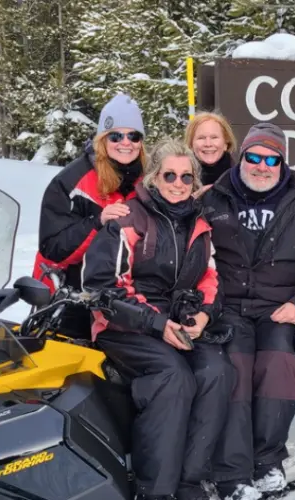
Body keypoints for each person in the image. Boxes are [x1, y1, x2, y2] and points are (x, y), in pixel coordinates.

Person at [81, 139, 235, 500]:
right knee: (172, 376)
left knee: (217, 371)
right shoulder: (129, 217)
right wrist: (155, 324)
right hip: (125, 325)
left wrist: (203, 315)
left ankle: (190, 482)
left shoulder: (199, 223)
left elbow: (210, 277)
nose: (178, 183)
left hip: (176, 322)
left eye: (186, 177)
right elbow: (102, 287)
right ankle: (156, 489)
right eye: (170, 175)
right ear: (154, 177)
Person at [200, 123, 295, 500]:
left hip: (280, 308)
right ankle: (232, 474)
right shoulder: (215, 197)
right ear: (242, 158)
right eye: (254, 157)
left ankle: (267, 463)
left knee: (278, 367)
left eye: (271, 159)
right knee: (235, 373)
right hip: (229, 309)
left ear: (282, 163)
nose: (261, 166)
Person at [32, 93, 147, 338]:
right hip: (73, 291)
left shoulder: (149, 179)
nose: (125, 143)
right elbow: (52, 248)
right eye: (116, 135)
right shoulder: (71, 182)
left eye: (133, 135)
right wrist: (97, 223)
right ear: (102, 139)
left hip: (128, 293)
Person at [185, 111, 237, 198]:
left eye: (214, 137)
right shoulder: (179, 180)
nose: (208, 144)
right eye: (201, 138)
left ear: (226, 143)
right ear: (191, 144)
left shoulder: (240, 179)